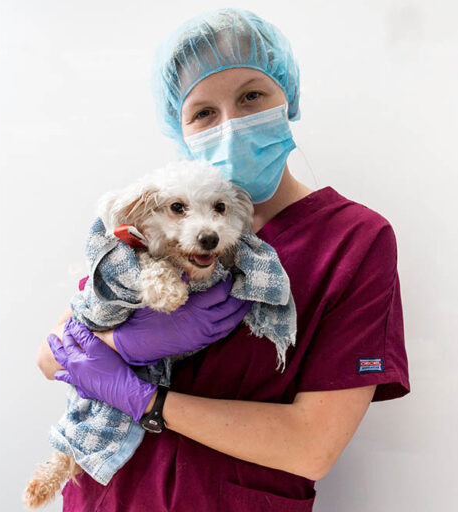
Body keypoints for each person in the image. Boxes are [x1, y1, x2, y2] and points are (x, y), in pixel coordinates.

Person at [37, 7, 410, 511]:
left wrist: (147, 401)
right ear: (180, 126)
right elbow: (52, 354)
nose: (231, 124)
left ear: (288, 97)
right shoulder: (159, 220)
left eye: (252, 96)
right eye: (204, 113)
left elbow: (311, 446)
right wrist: (125, 342)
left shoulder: (354, 241)